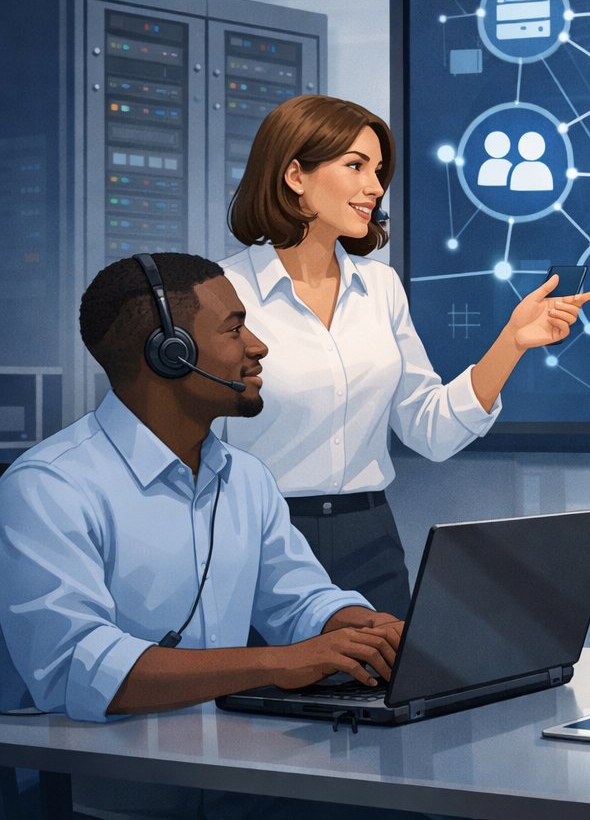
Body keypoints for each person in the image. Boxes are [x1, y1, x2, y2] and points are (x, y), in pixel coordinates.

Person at [0, 254, 409, 817]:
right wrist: (278, 663)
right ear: (170, 354)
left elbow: (301, 599)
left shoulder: (245, 478)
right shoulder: (50, 485)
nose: (259, 347)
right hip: (108, 803)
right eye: (235, 328)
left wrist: (366, 629)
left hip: (240, 781)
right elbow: (77, 665)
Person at [221, 95, 590, 617]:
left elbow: (430, 430)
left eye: (377, 170)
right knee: (265, 697)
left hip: (369, 540)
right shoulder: (219, 290)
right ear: (295, 175)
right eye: (355, 166)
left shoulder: (381, 287)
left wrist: (511, 342)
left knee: (386, 693)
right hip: (260, 541)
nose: (375, 187)